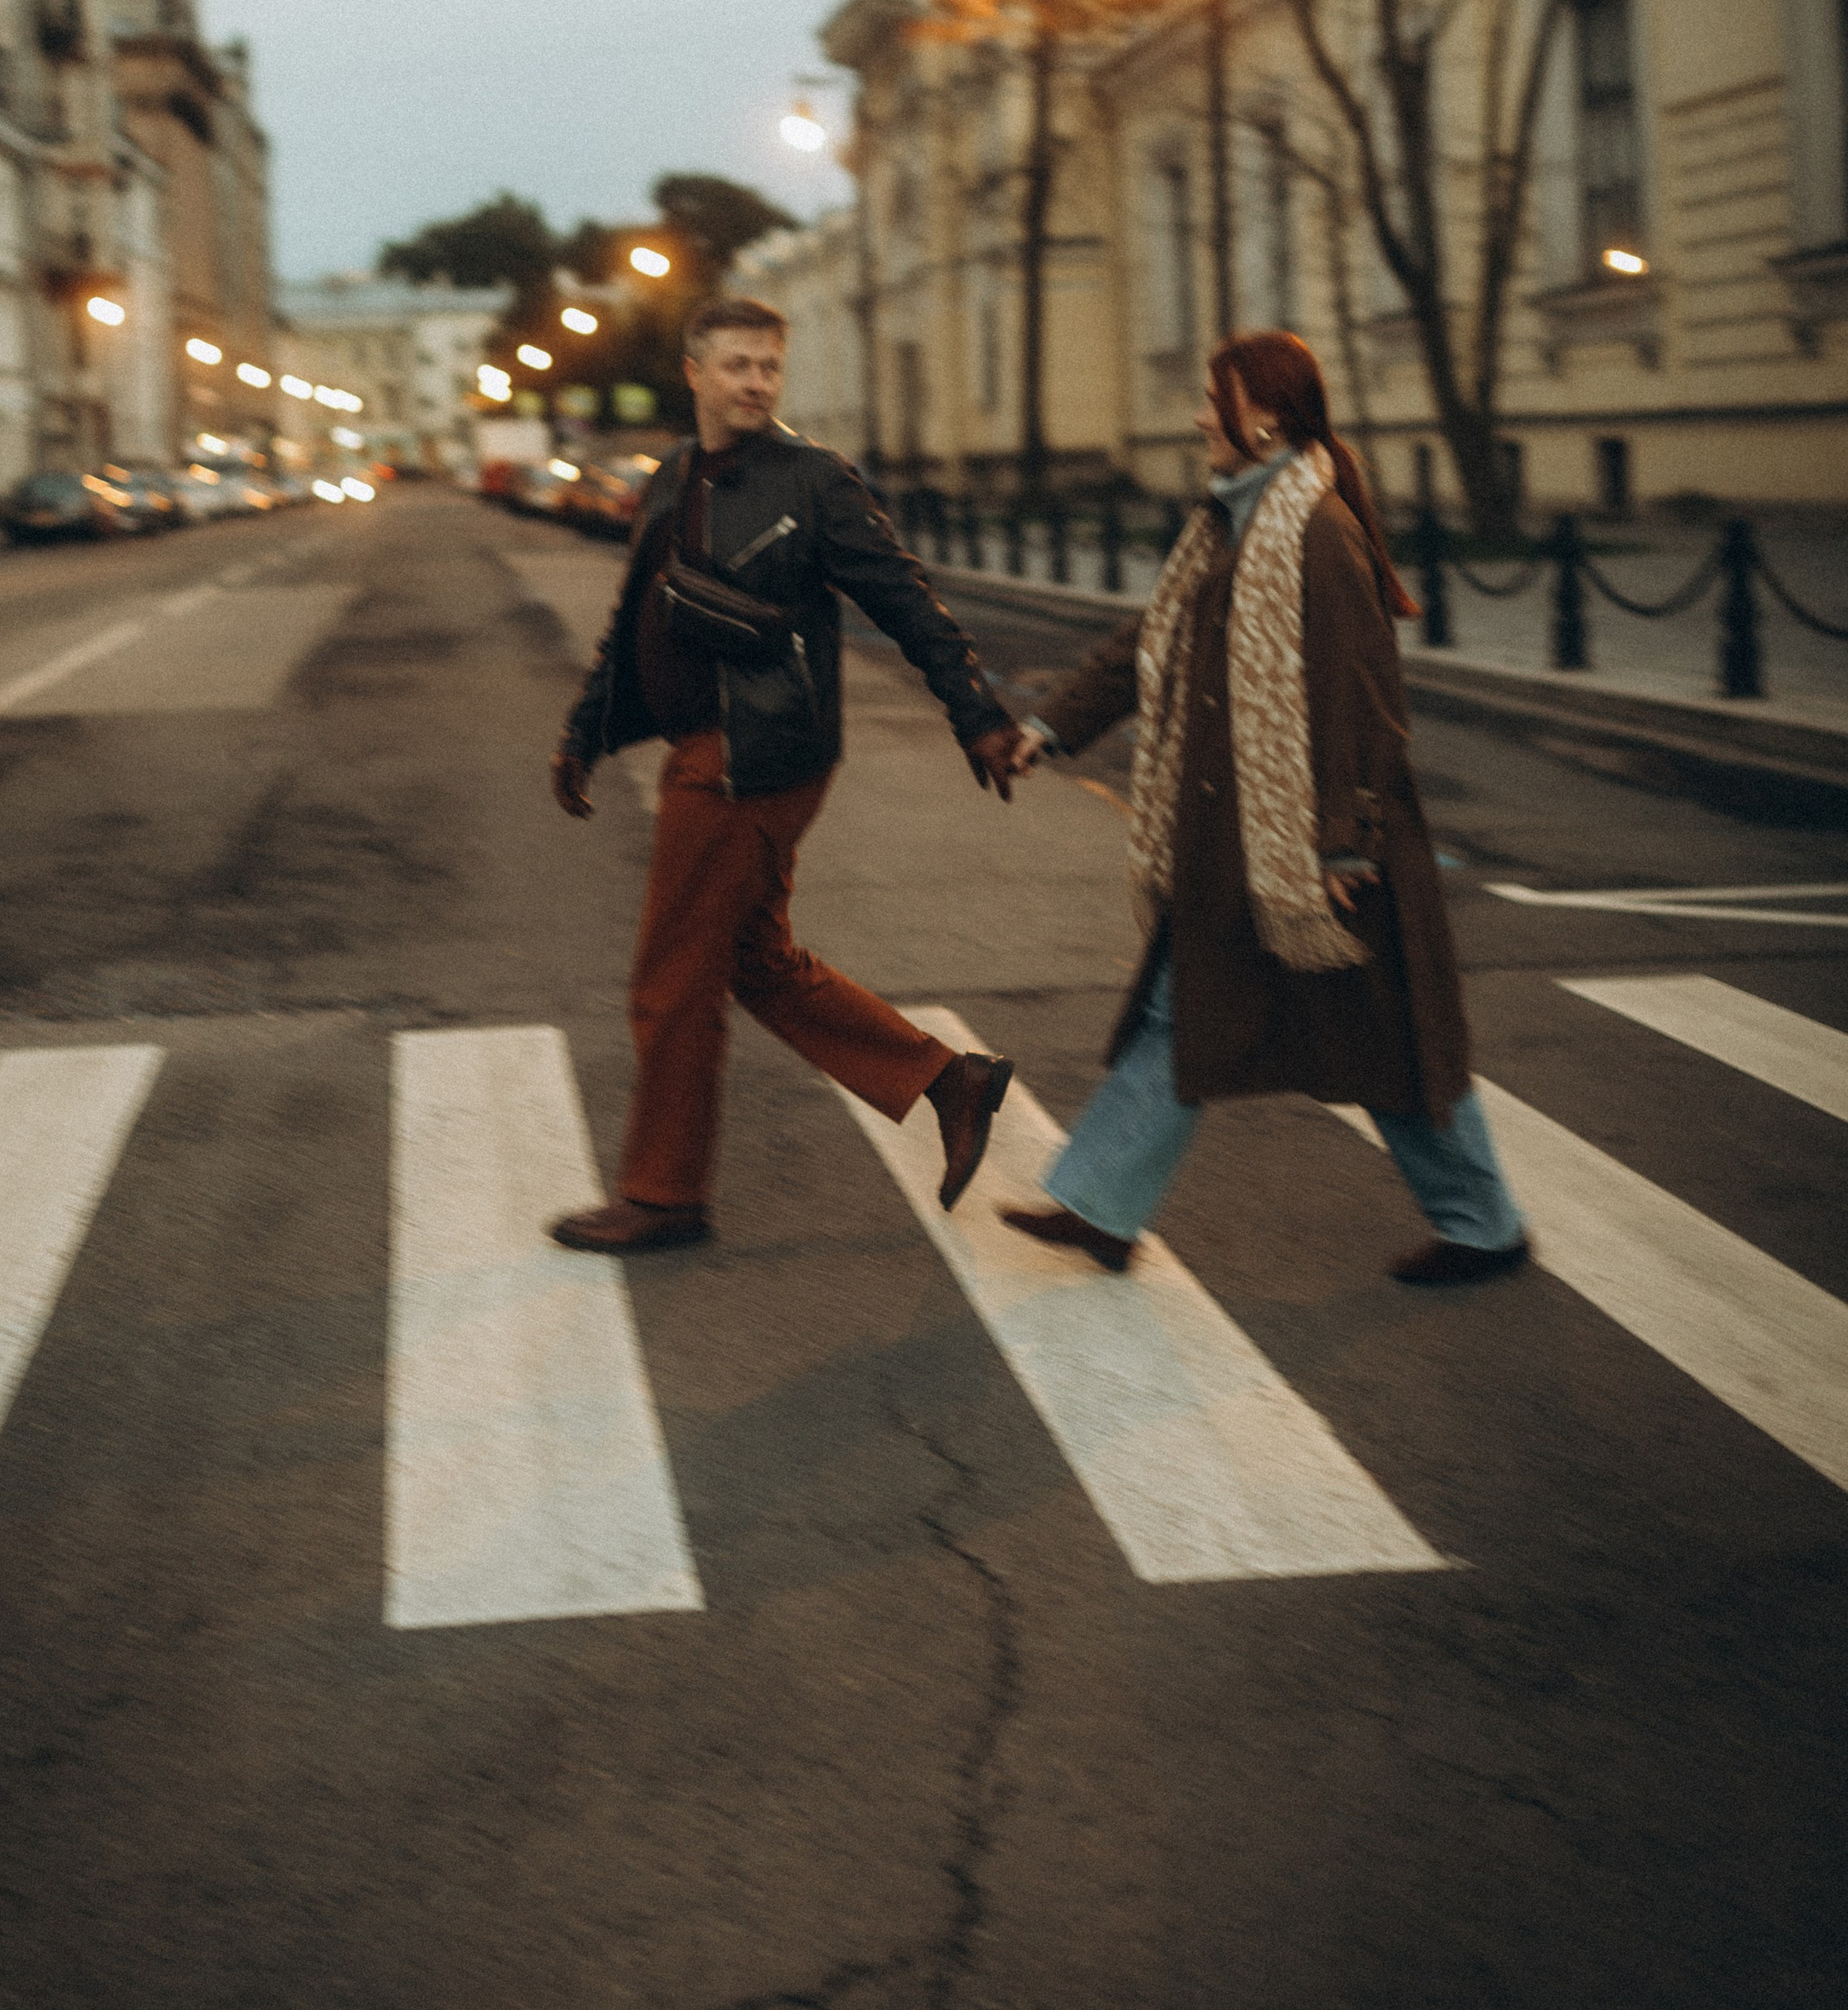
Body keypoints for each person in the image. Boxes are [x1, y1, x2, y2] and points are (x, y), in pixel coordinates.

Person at [1000, 329, 1531, 1288]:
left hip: (1314, 850)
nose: (1201, 415)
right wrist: (1052, 727)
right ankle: (1100, 1205)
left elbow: (1361, 701)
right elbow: (1145, 644)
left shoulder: (1315, 531)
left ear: (1266, 415)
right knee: (1181, 1011)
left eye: (1217, 398)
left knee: (1389, 1044)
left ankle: (1486, 1223)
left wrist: (1344, 848)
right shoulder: (1226, 524)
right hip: (1233, 843)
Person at [547, 294, 1020, 1253]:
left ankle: (664, 1192)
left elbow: (906, 601)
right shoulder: (673, 475)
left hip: (756, 751)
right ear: (695, 372)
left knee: (673, 974)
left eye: (768, 366)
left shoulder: (813, 482)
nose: (756, 382)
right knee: (753, 959)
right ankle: (947, 1081)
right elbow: (630, 620)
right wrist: (581, 735)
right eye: (736, 365)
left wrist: (974, 710)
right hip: (704, 742)